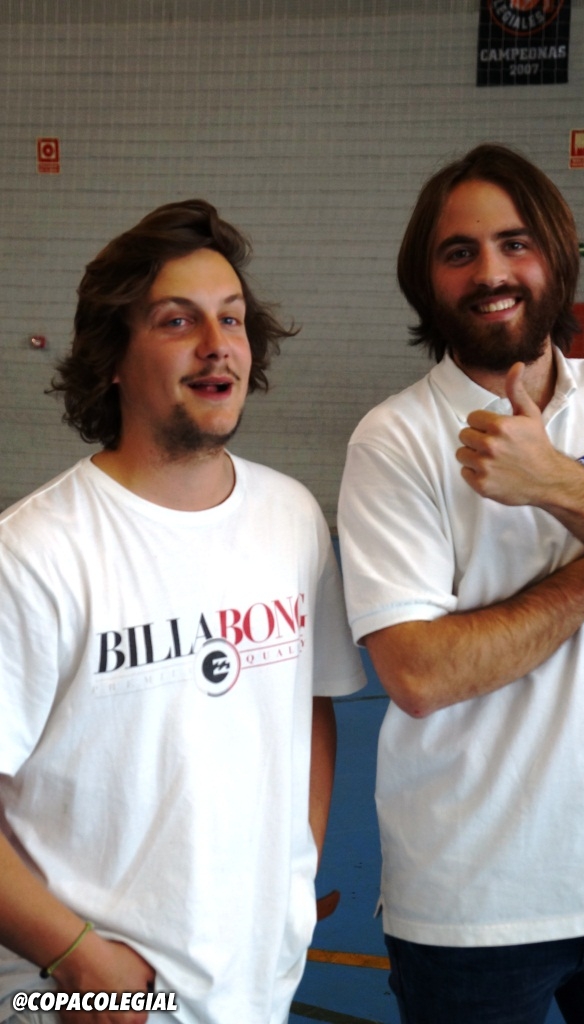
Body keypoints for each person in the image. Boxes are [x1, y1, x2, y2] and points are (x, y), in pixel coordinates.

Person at [338, 144, 584, 1023]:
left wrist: (558, 483)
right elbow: (421, 674)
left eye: (514, 243)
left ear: (555, 257)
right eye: (460, 252)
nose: (491, 273)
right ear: (428, 281)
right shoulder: (395, 439)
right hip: (473, 899)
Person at [0, 199, 364, 1024]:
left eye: (231, 318)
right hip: (94, 1001)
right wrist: (82, 961)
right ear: (112, 359)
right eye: (177, 320)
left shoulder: (292, 517)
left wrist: (297, 869)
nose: (217, 343)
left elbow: (308, 706)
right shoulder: (34, 553)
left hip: (253, 984)